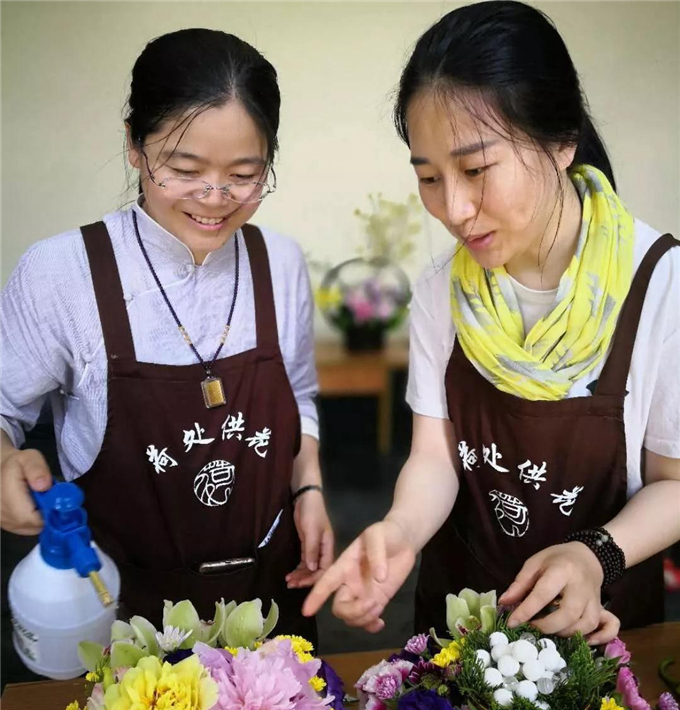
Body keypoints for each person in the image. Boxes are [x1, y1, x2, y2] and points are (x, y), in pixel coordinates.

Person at [304, 1, 680, 643]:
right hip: (460, 625)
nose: (453, 208)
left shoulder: (662, 287)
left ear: (561, 141)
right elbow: (435, 458)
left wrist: (595, 554)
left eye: (476, 170)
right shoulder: (442, 290)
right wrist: (399, 530)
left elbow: (674, 484)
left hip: (601, 631)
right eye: (429, 177)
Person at [0, 28, 332, 640]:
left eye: (244, 174)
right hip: (122, 608)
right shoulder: (60, 273)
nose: (215, 199)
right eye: (184, 170)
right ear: (134, 144)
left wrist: (308, 487)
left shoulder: (280, 262)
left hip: (268, 602)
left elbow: (300, 395)